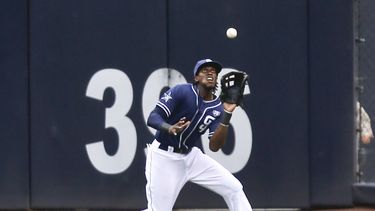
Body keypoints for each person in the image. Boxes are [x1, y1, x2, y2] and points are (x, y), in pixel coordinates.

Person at [144, 59, 252, 211]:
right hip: (164, 156)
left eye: (213, 71)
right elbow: (153, 117)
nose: (210, 72)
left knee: (234, 188)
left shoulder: (218, 107)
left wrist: (227, 113)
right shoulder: (182, 91)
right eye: (204, 70)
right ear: (196, 78)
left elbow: (214, 146)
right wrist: (169, 128)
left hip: (191, 157)